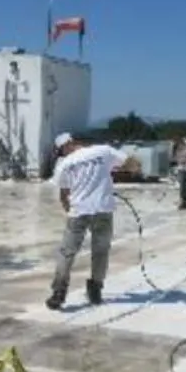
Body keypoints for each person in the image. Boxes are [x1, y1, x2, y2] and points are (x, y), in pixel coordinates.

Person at [46, 133, 142, 310]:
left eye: (61, 151)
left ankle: (58, 292)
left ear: (68, 144)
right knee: (101, 252)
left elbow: (64, 196)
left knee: (66, 253)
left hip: (78, 212)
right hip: (103, 209)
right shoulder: (103, 151)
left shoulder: (64, 164)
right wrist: (120, 170)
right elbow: (133, 164)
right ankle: (95, 289)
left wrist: (70, 212)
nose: (62, 154)